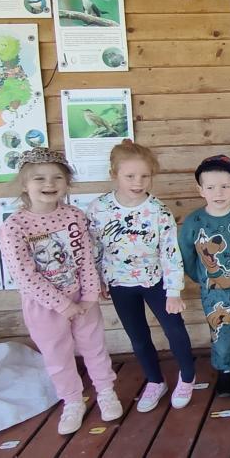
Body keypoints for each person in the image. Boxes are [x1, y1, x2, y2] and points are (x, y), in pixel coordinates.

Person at [0, 148, 120, 435]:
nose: (49, 184)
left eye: (57, 178)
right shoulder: (14, 227)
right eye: (39, 178)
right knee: (57, 356)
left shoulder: (74, 216)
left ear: (67, 183)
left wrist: (89, 295)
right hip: (44, 307)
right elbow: (25, 276)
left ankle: (106, 391)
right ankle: (73, 401)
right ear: (24, 184)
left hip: (82, 299)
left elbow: (86, 257)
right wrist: (62, 305)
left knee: (94, 347)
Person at [87, 140, 194, 412]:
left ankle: (187, 376)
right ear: (114, 174)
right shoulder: (99, 208)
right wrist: (98, 279)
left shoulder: (158, 211)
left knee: (174, 329)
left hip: (155, 281)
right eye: (130, 176)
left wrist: (173, 291)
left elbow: (170, 252)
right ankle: (155, 381)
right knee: (137, 336)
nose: (138, 182)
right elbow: (94, 247)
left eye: (145, 176)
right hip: (119, 283)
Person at [179, 155, 230, 399]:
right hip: (214, 292)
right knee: (222, 333)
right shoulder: (194, 222)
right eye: (211, 187)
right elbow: (187, 256)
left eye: (226, 186)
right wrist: (203, 279)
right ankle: (225, 369)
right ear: (200, 190)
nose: (218, 193)